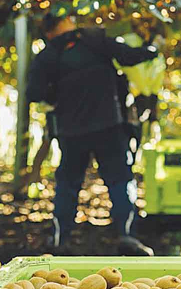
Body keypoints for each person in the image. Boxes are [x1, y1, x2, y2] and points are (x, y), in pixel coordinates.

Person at [27, 13, 160, 255]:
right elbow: (129, 56)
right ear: (64, 23)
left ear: (48, 33)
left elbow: (33, 93)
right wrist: (153, 48)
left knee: (68, 183)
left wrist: (55, 95)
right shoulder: (94, 40)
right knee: (120, 180)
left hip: (71, 130)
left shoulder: (48, 55)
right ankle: (127, 235)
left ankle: (60, 240)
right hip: (108, 125)